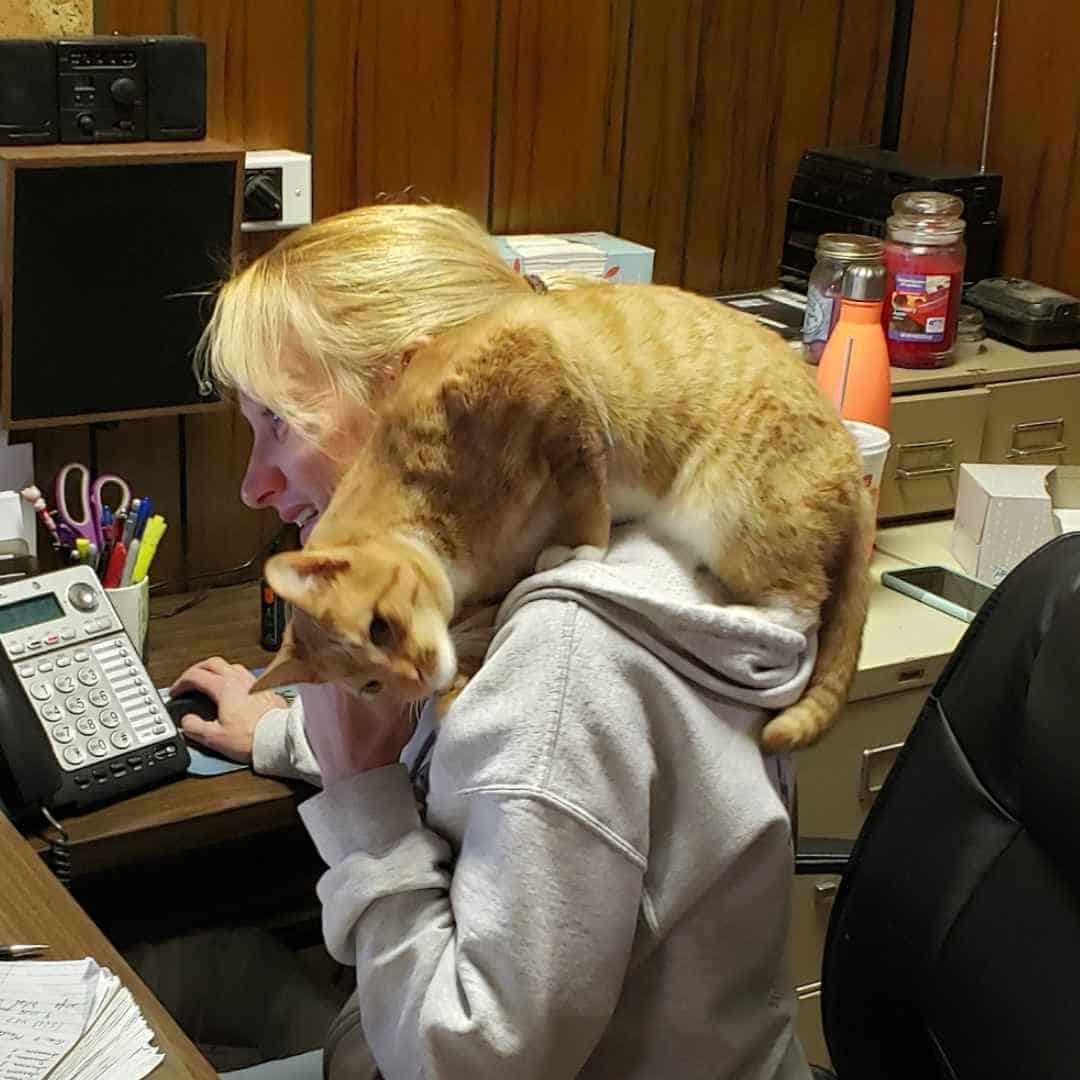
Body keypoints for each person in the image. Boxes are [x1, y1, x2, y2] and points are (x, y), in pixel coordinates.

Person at [173, 203, 815, 1079]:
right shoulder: (602, 542)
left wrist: (361, 790)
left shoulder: (567, 666)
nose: (253, 484)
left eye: (279, 423)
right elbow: (488, 761)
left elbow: (469, 1063)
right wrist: (295, 732)